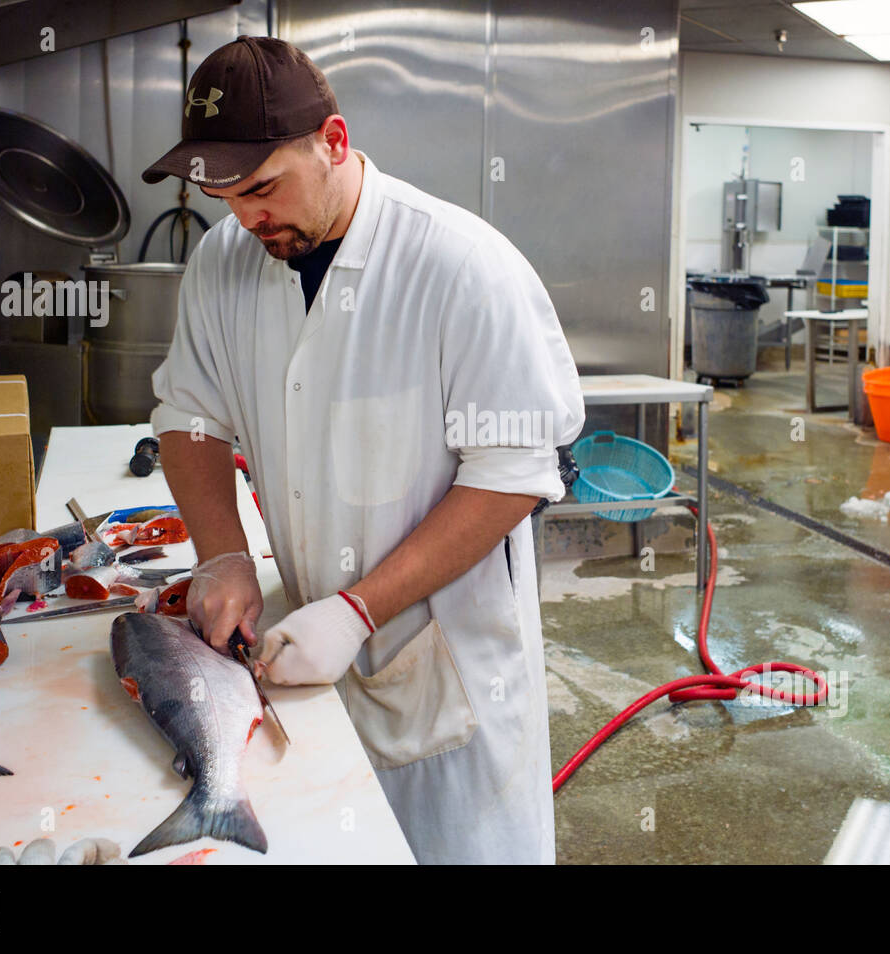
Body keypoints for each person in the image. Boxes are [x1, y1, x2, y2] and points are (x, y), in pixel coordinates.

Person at [141, 36, 584, 863]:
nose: (245, 217)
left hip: (443, 669)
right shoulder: (224, 261)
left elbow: (512, 475)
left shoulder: (460, 269)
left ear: (335, 143)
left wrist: (359, 609)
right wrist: (223, 557)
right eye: (222, 195)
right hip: (304, 658)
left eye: (263, 187)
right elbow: (189, 417)